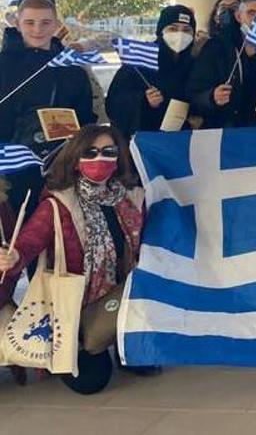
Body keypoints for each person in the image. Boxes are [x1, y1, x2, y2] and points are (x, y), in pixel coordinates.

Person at [0, 125, 150, 394]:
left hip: (119, 292)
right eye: (90, 153)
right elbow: (30, 240)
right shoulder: (58, 204)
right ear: (76, 160)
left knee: (143, 361)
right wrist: (14, 257)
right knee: (91, 381)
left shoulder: (130, 198)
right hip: (75, 304)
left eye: (108, 152)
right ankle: (80, 340)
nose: (99, 159)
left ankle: (123, 342)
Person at [1, 0, 98, 155]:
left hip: (60, 159)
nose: (38, 30)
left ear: (56, 25)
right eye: (30, 22)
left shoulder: (72, 69)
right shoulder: (3, 65)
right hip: (8, 159)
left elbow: (85, 117)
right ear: (18, 25)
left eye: (45, 23)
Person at [187, 0, 256, 128]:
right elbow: (195, 91)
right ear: (239, 16)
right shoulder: (216, 47)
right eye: (251, 13)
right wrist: (212, 97)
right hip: (224, 128)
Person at [106, 5, 199, 139]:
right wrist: (143, 100)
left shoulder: (195, 63)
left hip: (183, 141)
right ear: (160, 31)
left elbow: (200, 95)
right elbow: (114, 102)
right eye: (173, 29)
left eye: (187, 30)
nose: (180, 35)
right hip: (145, 142)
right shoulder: (139, 60)